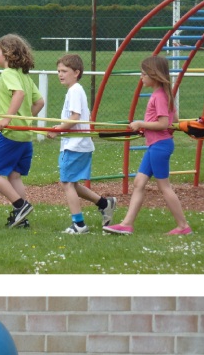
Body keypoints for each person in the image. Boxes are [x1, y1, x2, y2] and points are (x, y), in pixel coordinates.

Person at [105, 54, 191, 236]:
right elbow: (173, 120)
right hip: (157, 145)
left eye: (143, 74)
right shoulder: (164, 94)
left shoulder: (159, 96)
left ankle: (183, 226)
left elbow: (163, 123)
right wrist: (148, 129)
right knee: (139, 183)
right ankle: (127, 224)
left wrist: (141, 124)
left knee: (164, 186)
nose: (141, 77)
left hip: (160, 146)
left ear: (154, 74)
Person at [47, 54, 116, 233]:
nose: (60, 74)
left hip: (75, 145)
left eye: (64, 71)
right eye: (58, 71)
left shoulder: (75, 90)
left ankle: (79, 224)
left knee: (67, 183)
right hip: (77, 144)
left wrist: (58, 130)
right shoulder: (75, 90)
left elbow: (75, 117)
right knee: (71, 183)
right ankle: (104, 203)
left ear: (76, 72)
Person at [0, 34, 45, 229]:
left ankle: (20, 205)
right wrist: (24, 118)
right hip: (25, 135)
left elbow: (19, 94)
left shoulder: (8, 73)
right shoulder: (24, 76)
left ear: (8, 55)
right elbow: (39, 102)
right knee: (14, 176)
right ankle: (21, 219)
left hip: (10, 134)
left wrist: (7, 118)